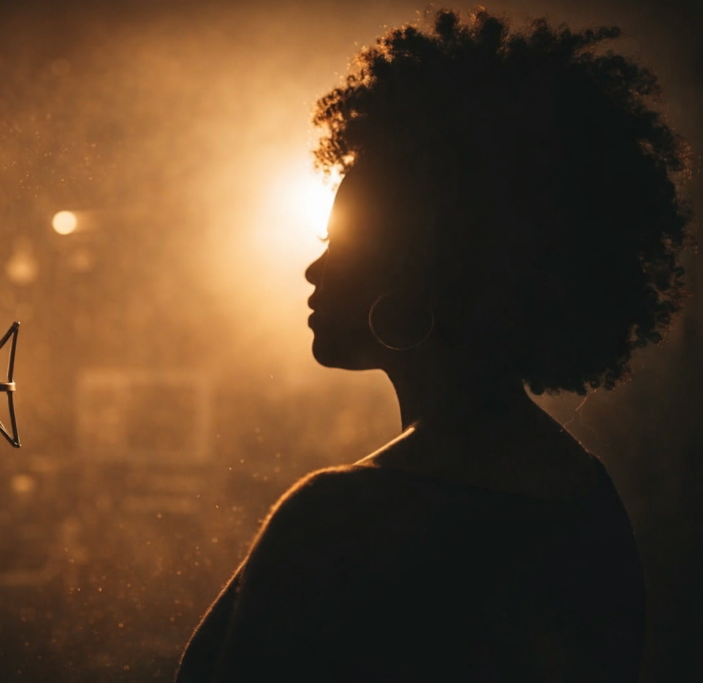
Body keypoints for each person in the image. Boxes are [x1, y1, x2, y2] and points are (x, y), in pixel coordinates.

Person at [176, 8, 692, 682]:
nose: (313, 269)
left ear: (423, 274)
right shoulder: (589, 497)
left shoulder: (336, 519)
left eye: (341, 244)